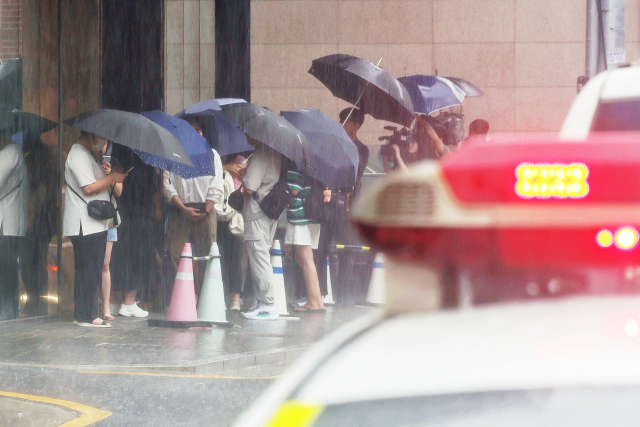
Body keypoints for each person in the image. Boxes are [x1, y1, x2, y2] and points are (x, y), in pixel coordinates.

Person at [63, 131, 126, 327]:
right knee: (88, 269)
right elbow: (88, 188)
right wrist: (112, 177)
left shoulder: (86, 154)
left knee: (88, 268)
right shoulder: (77, 154)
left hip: (92, 223)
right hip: (85, 224)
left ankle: (84, 313)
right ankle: (87, 314)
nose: (102, 143)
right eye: (101, 138)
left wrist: (109, 174)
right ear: (92, 136)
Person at [314, 107, 370, 305]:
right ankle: (319, 292)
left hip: (346, 205)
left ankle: (344, 293)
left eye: (344, 121)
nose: (340, 124)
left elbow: (355, 173)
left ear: (355, 125)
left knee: (346, 250)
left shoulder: (362, 149)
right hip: (327, 203)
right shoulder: (332, 144)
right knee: (320, 248)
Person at [163, 119, 223, 297]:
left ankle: (206, 298)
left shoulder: (212, 155)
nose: (196, 134)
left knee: (207, 255)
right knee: (175, 252)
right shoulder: (173, 155)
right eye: (191, 131)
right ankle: (184, 296)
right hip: (180, 209)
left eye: (199, 130)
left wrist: (206, 209)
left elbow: (216, 185)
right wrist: (182, 208)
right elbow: (167, 185)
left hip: (206, 209)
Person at [110, 147, 161, 317]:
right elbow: (153, 187)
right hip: (139, 213)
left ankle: (116, 301)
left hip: (123, 211)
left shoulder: (121, 150)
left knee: (122, 255)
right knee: (138, 256)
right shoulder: (145, 158)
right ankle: (129, 301)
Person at [241, 139, 283, 320]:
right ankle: (262, 301)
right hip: (269, 211)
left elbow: (250, 187)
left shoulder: (261, 154)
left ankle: (268, 304)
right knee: (262, 254)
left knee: (259, 257)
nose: (247, 136)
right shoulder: (276, 153)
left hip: (257, 211)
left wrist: (243, 175)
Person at [19, 130, 58, 317]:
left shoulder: (34, 161)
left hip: (37, 219)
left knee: (31, 260)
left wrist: (30, 217)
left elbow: (34, 194)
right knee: (38, 259)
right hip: (45, 219)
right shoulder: (46, 159)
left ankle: (35, 299)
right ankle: (38, 299)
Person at [286, 165, 325, 312]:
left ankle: (313, 302)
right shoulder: (316, 161)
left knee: (305, 257)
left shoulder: (297, 161)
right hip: (314, 212)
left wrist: (285, 176)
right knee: (306, 258)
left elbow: (295, 189)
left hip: (300, 214)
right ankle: (317, 300)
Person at [0, 128, 28, 320]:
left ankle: (8, 310)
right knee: (6, 265)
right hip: (8, 222)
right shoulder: (10, 152)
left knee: (6, 265)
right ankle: (7, 308)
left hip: (8, 223)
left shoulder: (10, 153)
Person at [99, 142, 125, 320]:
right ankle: (93, 304)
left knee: (105, 264)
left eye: (104, 141)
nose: (101, 144)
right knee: (93, 263)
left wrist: (111, 175)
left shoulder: (113, 161)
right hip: (91, 216)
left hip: (109, 218)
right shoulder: (89, 160)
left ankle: (106, 308)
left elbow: (119, 192)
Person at [217, 155, 245, 311]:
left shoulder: (243, 160)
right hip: (217, 216)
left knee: (235, 257)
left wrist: (243, 175)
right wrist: (225, 167)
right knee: (218, 258)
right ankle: (220, 295)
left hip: (234, 218)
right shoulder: (216, 161)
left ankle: (235, 297)